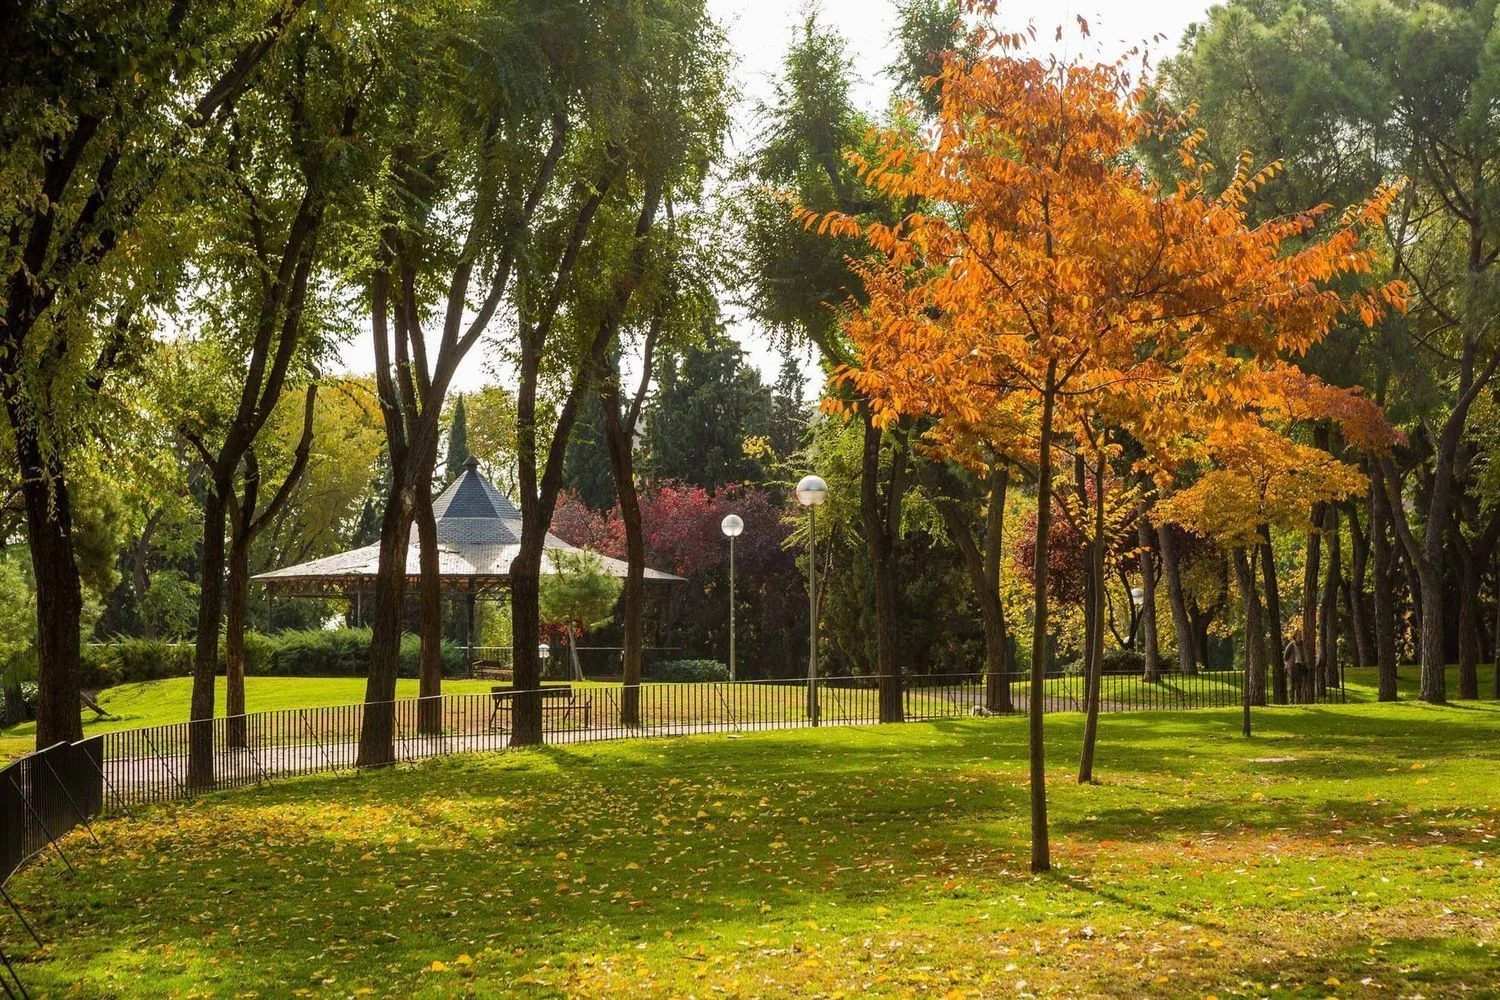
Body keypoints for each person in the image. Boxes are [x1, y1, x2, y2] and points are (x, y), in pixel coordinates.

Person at [1284, 629, 1308, 703]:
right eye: (1298, 635)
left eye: (1300, 635)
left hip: (1300, 666)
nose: (1300, 636)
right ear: (1295, 636)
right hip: (1292, 668)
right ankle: (1291, 702)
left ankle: (1298, 701)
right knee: (1292, 686)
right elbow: (1285, 656)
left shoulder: (1302, 645)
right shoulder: (1291, 645)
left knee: (1299, 685)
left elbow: (1304, 656)